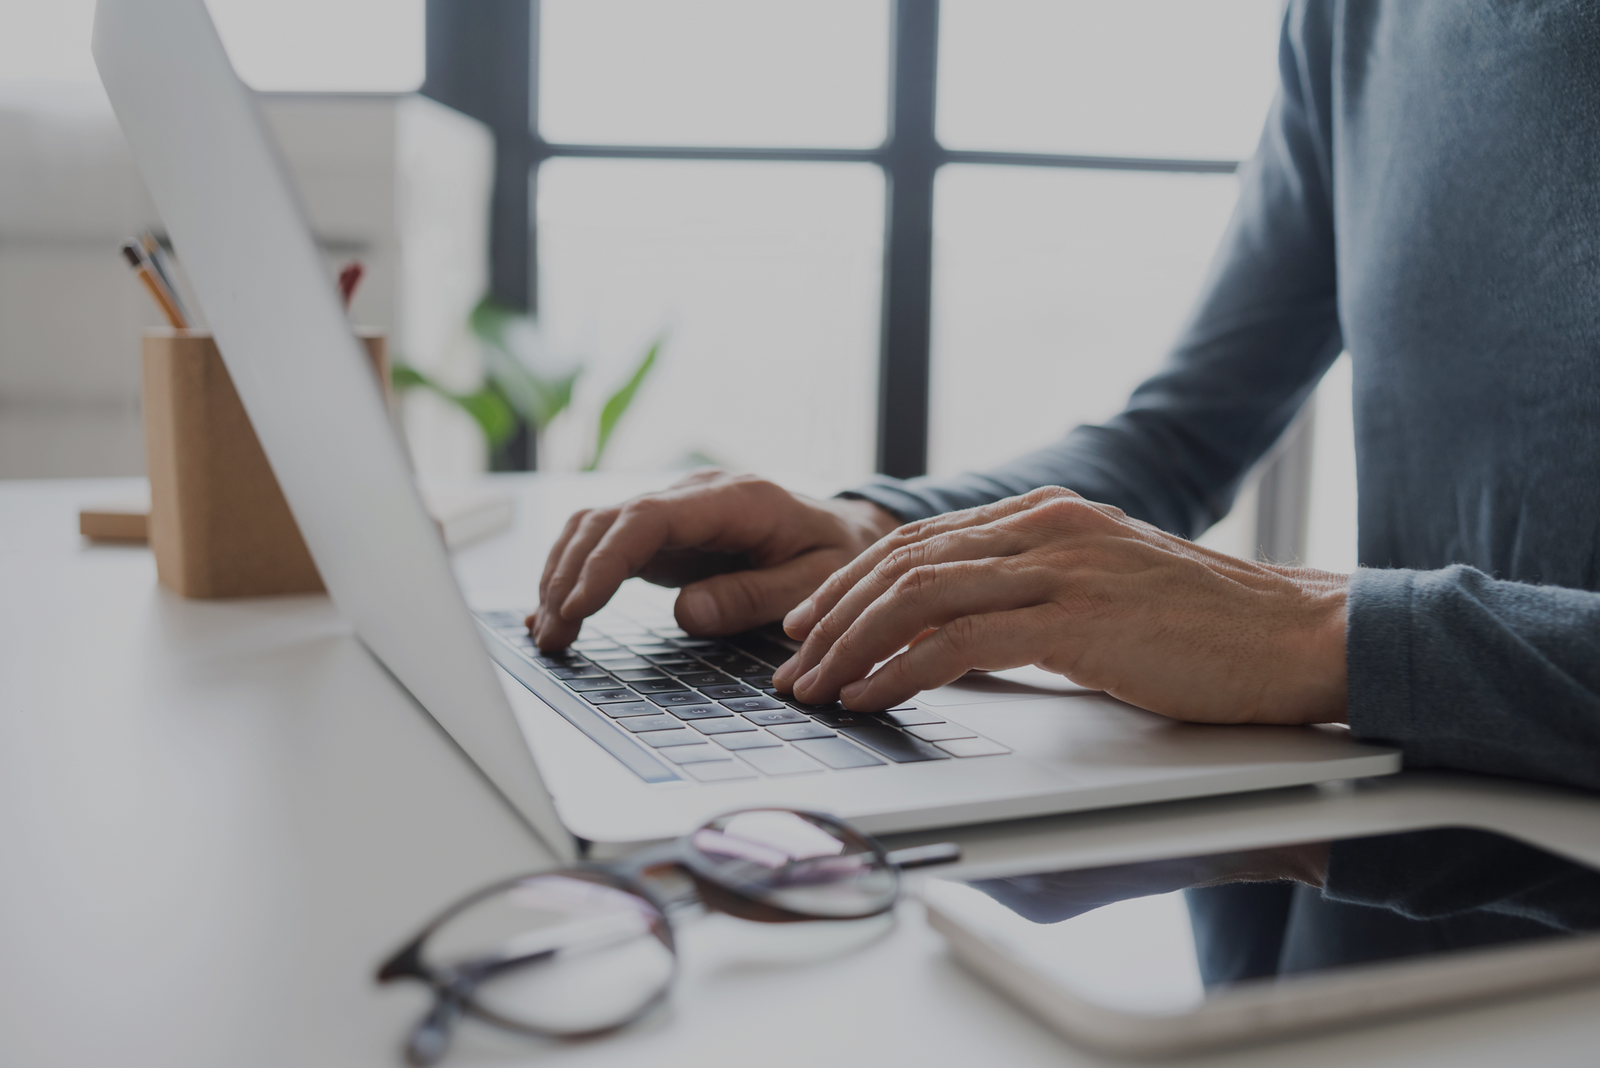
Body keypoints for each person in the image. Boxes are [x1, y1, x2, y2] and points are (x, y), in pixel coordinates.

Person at [529, 0, 1600, 794]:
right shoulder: (1355, 20)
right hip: (1414, 861)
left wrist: (1320, 637)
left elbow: (1316, 625)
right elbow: (1177, 437)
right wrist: (884, 532)